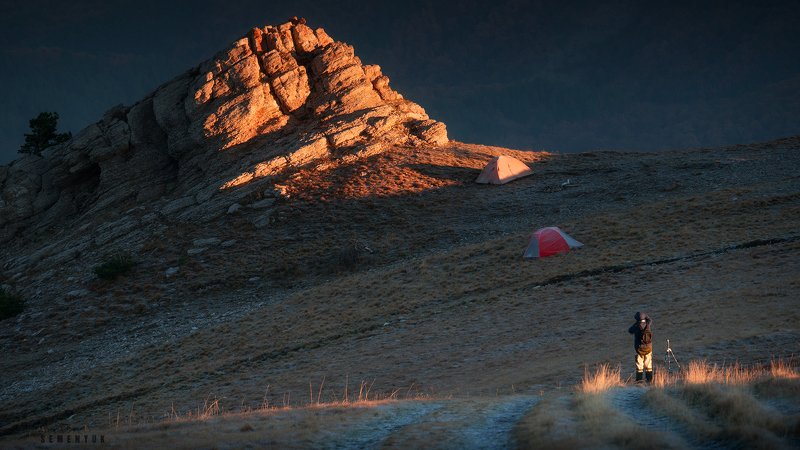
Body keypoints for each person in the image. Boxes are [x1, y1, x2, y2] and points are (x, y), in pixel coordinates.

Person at [628, 312, 653, 383]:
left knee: (639, 366)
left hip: (639, 349)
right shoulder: (648, 325)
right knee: (648, 365)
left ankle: (639, 382)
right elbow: (650, 320)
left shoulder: (636, 326)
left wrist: (636, 323)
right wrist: (646, 316)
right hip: (648, 348)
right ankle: (649, 381)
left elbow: (630, 331)